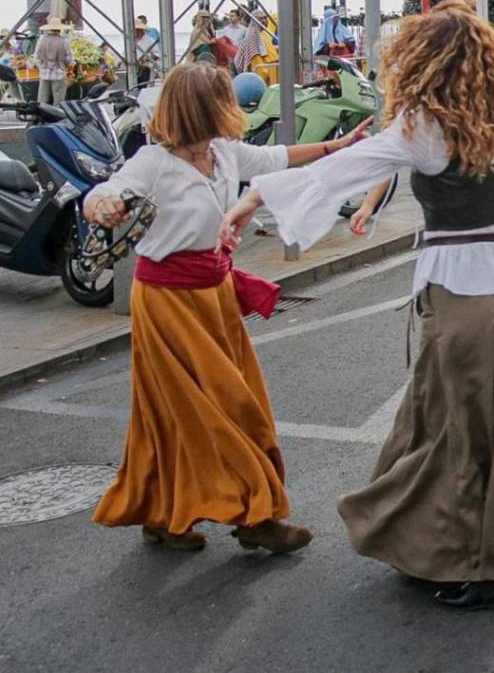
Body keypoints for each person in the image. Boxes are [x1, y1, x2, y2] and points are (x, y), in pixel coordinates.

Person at [221, 0, 494, 611]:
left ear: (425, 62)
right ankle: (424, 542)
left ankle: (487, 571)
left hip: (462, 297)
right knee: (438, 421)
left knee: (466, 436)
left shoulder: (424, 127)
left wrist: (251, 200)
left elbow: (341, 171)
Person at [85, 62, 353, 553]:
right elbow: (104, 194)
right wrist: (103, 207)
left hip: (215, 295)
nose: (232, 109)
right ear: (201, 108)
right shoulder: (153, 162)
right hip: (167, 303)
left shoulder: (223, 153)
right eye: (222, 100)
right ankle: (256, 517)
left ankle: (163, 514)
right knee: (213, 412)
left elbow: (276, 158)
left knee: (189, 412)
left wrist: (336, 148)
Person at [33, 17, 73, 105]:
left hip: (44, 73)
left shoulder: (41, 40)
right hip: (59, 74)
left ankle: (40, 112)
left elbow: (36, 56)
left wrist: (41, 65)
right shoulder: (64, 41)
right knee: (58, 100)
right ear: (60, 29)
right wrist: (66, 66)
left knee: (42, 99)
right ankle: (56, 112)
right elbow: (69, 59)